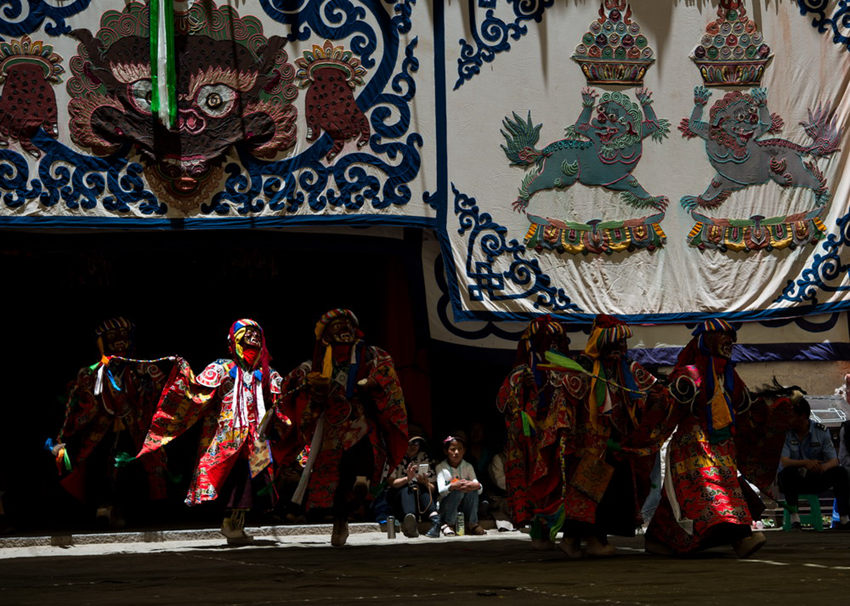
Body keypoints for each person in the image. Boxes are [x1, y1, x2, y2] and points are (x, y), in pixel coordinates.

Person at [134, 319, 293, 545]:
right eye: (247, 338)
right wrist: (183, 372)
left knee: (254, 480)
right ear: (235, 343)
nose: (253, 342)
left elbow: (284, 393)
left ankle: (236, 526)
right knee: (235, 478)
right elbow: (196, 392)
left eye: (257, 339)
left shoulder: (265, 373)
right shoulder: (222, 368)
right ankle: (231, 525)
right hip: (228, 435)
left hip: (256, 435)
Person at [279, 309, 408, 546]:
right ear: (327, 334)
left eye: (347, 324)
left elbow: (385, 369)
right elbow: (295, 382)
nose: (343, 329)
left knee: (366, 459)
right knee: (339, 478)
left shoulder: (369, 354)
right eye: (337, 326)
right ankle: (341, 520)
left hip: (360, 421)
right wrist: (306, 380)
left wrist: (373, 382)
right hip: (331, 427)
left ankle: (362, 485)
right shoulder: (318, 361)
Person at [644, 319, 767, 558]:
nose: (729, 342)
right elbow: (668, 411)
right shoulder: (688, 375)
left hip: (722, 448)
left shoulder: (730, 375)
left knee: (704, 494)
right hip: (694, 447)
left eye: (731, 338)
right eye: (723, 337)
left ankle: (657, 539)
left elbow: (743, 408)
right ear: (708, 341)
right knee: (710, 493)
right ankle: (741, 539)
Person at [559, 314, 674, 558]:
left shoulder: (629, 370)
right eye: (613, 344)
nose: (619, 349)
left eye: (622, 344)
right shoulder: (584, 369)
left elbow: (657, 392)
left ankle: (580, 540)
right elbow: (566, 398)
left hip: (617, 444)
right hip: (589, 445)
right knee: (588, 493)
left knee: (608, 493)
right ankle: (587, 540)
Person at [50, 317, 172, 528]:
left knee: (133, 469)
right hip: (101, 432)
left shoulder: (141, 370)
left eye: (124, 338)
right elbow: (74, 407)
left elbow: (162, 397)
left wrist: (148, 386)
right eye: (113, 339)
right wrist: (62, 437)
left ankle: (128, 511)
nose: (120, 344)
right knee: (99, 469)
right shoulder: (90, 374)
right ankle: (102, 508)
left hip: (132, 429)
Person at [496, 315, 581, 547]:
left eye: (557, 341)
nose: (553, 346)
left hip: (562, 439)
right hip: (534, 441)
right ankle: (540, 531)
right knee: (539, 486)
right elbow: (504, 404)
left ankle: (564, 532)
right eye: (547, 341)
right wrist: (521, 386)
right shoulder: (521, 372)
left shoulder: (566, 368)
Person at [778, 396, 850, 530]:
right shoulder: (787, 434)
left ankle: (844, 519)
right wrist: (805, 463)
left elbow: (834, 460)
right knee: (787, 473)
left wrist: (823, 467)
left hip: (816, 478)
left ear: (803, 416)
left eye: (792, 416)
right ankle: (795, 519)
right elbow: (785, 461)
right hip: (795, 480)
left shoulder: (820, 431)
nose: (789, 419)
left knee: (840, 472)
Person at [432, 432, 487, 537]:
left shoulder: (468, 466)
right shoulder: (441, 467)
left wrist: (476, 485)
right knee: (457, 491)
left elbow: (478, 487)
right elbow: (441, 491)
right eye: (452, 449)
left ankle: (472, 523)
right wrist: (452, 486)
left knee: (473, 490)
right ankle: (448, 523)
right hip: (447, 507)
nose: (456, 452)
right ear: (446, 451)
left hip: (463, 507)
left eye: (460, 449)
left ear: (464, 451)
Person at [387, 436, 439, 538]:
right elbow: (392, 483)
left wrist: (425, 482)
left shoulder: (425, 458)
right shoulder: (396, 457)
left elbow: (433, 488)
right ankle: (410, 521)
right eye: (410, 443)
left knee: (422, 488)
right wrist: (408, 478)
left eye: (416, 444)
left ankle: (436, 521)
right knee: (408, 488)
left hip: (420, 500)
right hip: (399, 498)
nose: (413, 447)